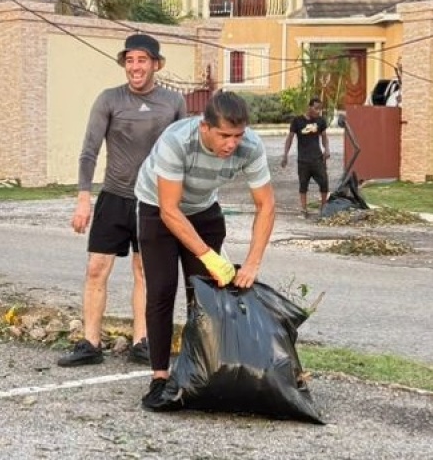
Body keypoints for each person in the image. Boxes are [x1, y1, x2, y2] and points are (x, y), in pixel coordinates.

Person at [133, 90, 276, 411]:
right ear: (205, 127)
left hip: (203, 208)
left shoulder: (251, 146)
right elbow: (170, 210)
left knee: (204, 296)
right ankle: (159, 378)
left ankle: (198, 372)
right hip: (157, 207)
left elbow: (266, 205)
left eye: (237, 136)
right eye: (224, 135)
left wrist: (252, 263)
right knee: (162, 289)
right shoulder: (177, 141)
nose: (232, 144)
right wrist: (209, 256)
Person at [58, 33, 186, 368]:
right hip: (114, 197)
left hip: (153, 201)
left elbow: (183, 154)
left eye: (142, 60)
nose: (135, 67)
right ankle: (90, 343)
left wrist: (180, 202)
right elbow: (89, 150)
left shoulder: (173, 102)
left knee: (144, 271)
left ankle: (142, 342)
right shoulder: (109, 99)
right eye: (130, 60)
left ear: (156, 65)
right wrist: (83, 198)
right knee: (96, 269)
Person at [281, 97, 331, 218]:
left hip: (317, 158)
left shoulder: (320, 121)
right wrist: (285, 155)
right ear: (309, 107)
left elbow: (324, 137)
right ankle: (304, 210)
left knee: (324, 182)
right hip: (303, 160)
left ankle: (323, 208)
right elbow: (290, 138)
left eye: (320, 109)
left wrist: (327, 149)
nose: (318, 111)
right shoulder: (297, 121)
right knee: (303, 185)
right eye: (316, 108)